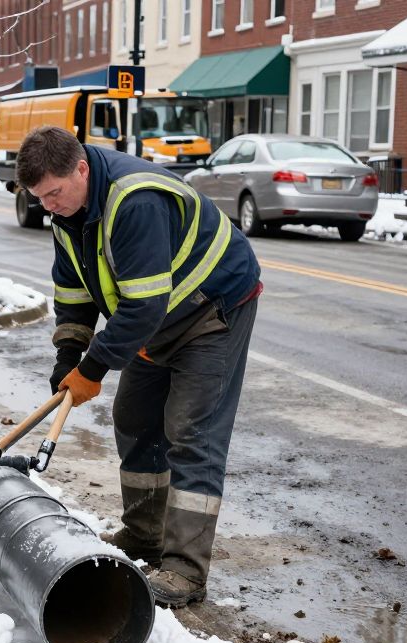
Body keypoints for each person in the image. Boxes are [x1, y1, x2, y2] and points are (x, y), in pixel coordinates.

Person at [15, 126, 262, 608]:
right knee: (135, 418)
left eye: (54, 194)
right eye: (39, 197)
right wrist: (69, 356)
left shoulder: (135, 202)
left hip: (212, 310)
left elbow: (144, 307)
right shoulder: (68, 212)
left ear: (81, 169)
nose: (48, 205)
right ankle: (144, 534)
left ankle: (186, 570)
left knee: (191, 431)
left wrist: (94, 367)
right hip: (155, 319)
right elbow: (74, 290)